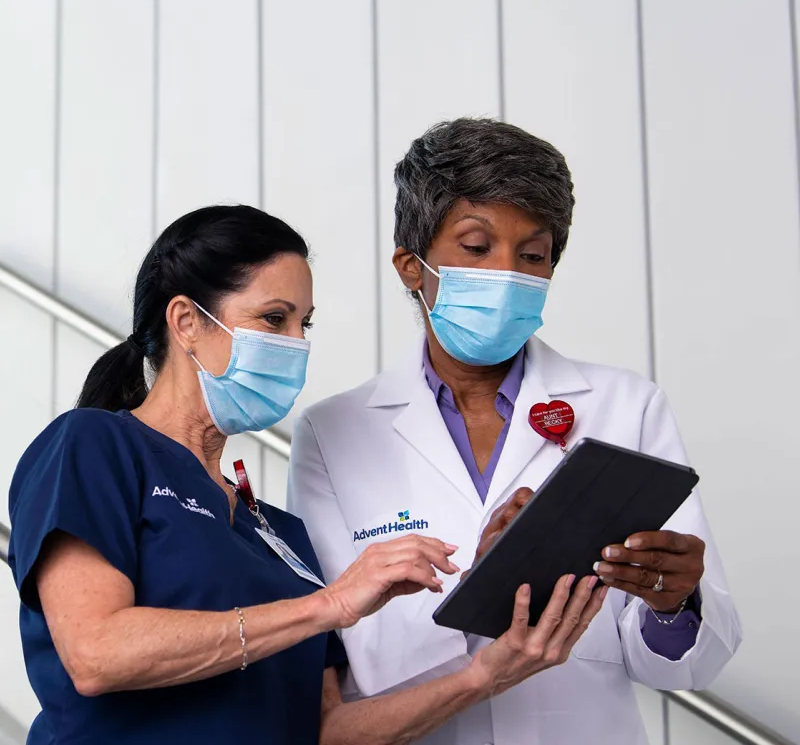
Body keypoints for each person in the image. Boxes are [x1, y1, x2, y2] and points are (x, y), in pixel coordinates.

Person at [7, 205, 605, 745]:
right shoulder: (93, 446)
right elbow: (96, 653)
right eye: (274, 318)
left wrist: (483, 675)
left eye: (305, 324)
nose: (296, 344)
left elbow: (327, 731)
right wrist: (330, 604)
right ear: (186, 322)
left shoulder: (281, 535)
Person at [288, 119, 744, 745]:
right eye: (477, 248)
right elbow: (351, 642)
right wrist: (482, 583)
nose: (508, 274)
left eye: (532, 255)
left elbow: (685, 662)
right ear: (411, 266)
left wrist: (673, 607)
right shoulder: (331, 434)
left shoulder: (626, 406)